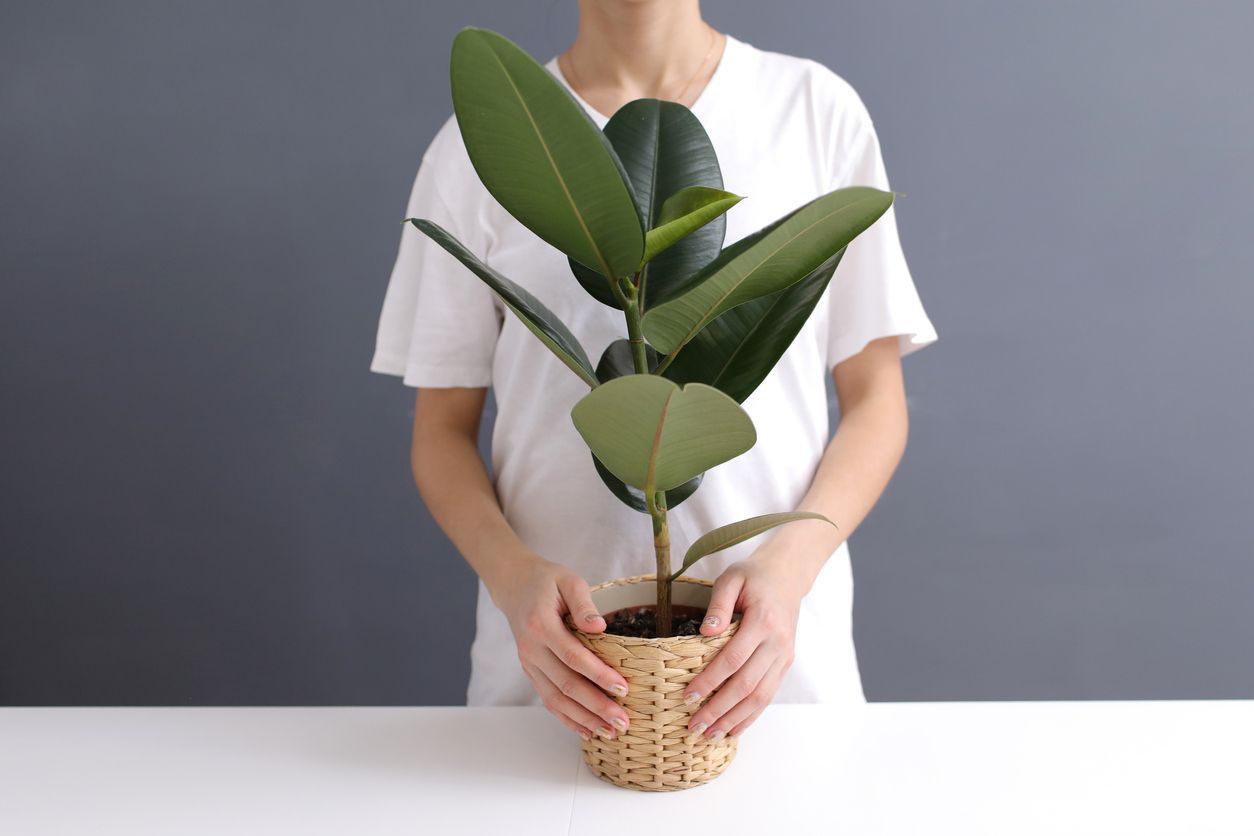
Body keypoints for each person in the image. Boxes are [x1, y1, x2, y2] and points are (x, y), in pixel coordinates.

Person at [370, 0, 938, 743]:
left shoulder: (812, 111)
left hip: (773, 685)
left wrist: (787, 574)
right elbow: (440, 434)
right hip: (560, 688)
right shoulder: (490, 144)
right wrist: (516, 584)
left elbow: (875, 404)